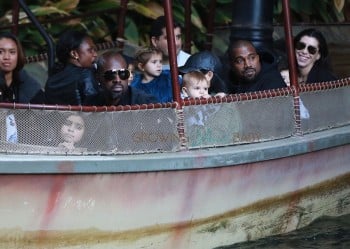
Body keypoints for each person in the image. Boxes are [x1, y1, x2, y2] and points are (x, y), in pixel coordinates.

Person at [45, 30, 101, 106]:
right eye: (90, 50)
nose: (95, 54)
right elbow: (94, 109)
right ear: (74, 54)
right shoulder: (86, 76)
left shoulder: (52, 80)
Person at [0, 32, 44, 103]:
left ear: (19, 55)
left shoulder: (26, 80)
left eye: (12, 52)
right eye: (0, 52)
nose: (6, 57)